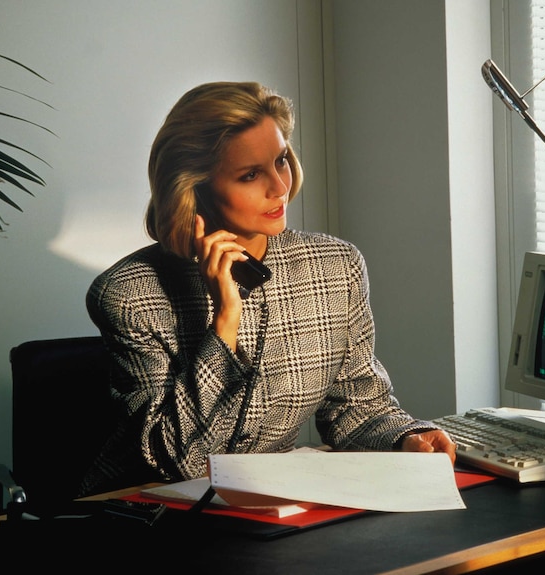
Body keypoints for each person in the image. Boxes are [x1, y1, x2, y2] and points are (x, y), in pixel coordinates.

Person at [80, 81, 455, 495]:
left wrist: (406, 438)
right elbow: (179, 461)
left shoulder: (334, 267)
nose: (279, 186)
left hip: (262, 515)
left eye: (280, 160)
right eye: (251, 174)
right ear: (195, 188)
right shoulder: (129, 295)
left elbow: (357, 408)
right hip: (141, 516)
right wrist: (224, 322)